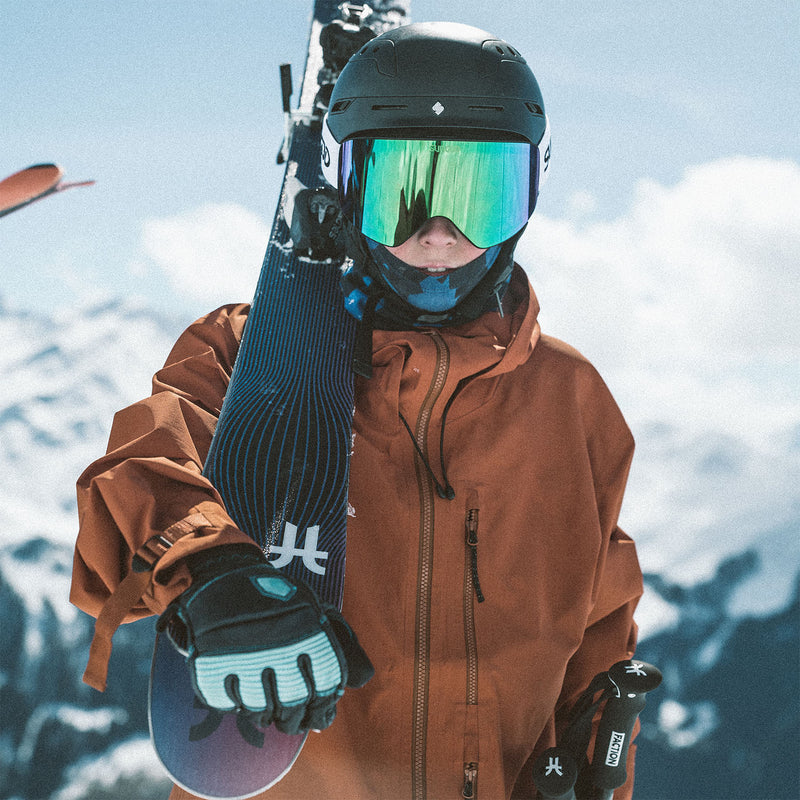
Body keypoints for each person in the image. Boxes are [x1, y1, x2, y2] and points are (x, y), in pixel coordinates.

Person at [71, 21, 644, 800]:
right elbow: (138, 470)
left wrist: (596, 763)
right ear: (345, 186)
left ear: (531, 196)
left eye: (480, 194)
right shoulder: (247, 350)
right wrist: (210, 570)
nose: (438, 239)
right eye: (402, 195)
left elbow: (602, 633)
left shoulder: (571, 398)